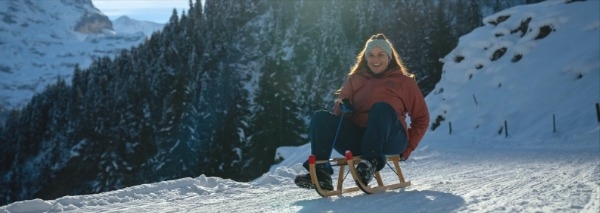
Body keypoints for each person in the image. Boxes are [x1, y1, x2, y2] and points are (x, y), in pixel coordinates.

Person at [294, 33, 430, 190]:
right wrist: (345, 107)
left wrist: (407, 149)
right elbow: (338, 114)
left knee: (381, 108)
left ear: (389, 57)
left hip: (390, 139)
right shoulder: (355, 80)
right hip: (359, 139)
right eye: (371, 55)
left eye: (381, 55)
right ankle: (321, 172)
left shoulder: (405, 82)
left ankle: (370, 163)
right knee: (321, 118)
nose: (375, 60)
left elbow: (421, 118)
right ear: (365, 58)